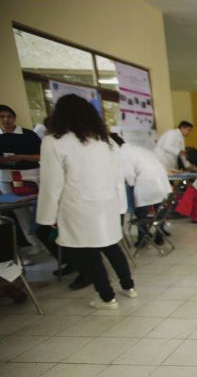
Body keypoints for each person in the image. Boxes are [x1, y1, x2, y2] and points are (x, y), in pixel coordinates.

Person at [36, 94, 137, 310]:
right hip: (107, 204)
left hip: (78, 207)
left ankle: (107, 297)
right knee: (111, 246)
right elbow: (118, 177)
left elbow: (51, 184)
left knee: (89, 253)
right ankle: (129, 287)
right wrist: (120, 207)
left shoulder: (54, 142)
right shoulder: (106, 141)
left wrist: (47, 217)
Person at [112, 133, 172, 246]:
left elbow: (129, 175)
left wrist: (130, 184)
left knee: (141, 213)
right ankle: (159, 234)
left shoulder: (122, 153)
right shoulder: (137, 148)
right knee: (160, 210)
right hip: (161, 182)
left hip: (146, 184)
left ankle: (143, 237)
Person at [0, 104, 43, 251]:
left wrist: (22, 157)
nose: (6, 119)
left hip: (31, 176)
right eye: (2, 117)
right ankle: (34, 244)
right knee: (20, 213)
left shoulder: (28, 134)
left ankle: (49, 243)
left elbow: (41, 155)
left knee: (38, 210)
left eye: (9, 116)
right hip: (7, 178)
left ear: (14, 118)